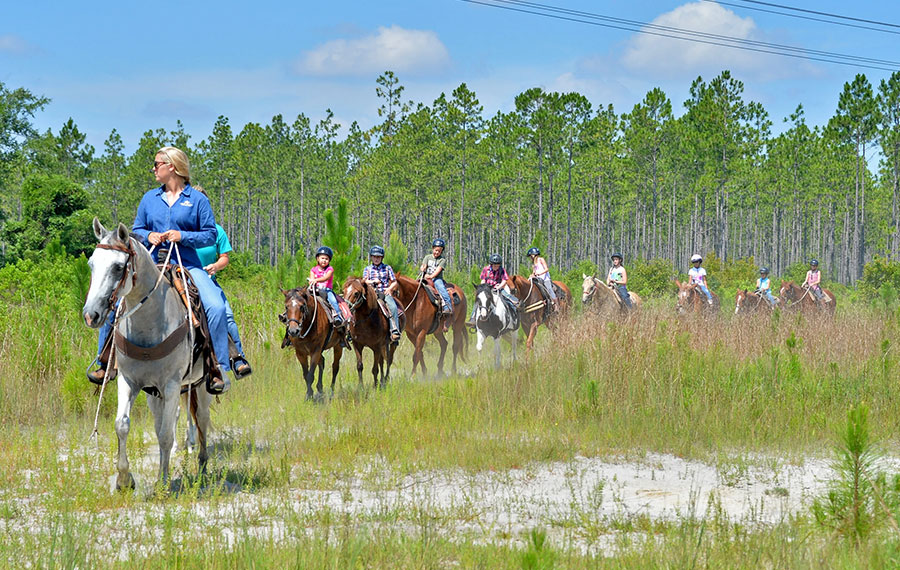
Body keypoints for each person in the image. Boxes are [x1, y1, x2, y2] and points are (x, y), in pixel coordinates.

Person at [89, 146, 230, 393]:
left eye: (157, 164)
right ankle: (105, 360)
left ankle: (218, 367)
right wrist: (149, 235)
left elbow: (209, 235)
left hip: (188, 265)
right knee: (115, 300)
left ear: (171, 167)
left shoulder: (198, 200)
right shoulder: (149, 199)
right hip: (152, 265)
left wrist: (182, 236)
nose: (153, 169)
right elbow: (137, 230)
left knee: (216, 307)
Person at [193, 208, 252, 378]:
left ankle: (237, 359)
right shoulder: (181, 231)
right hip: (183, 280)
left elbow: (224, 257)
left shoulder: (216, 230)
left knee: (227, 317)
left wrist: (215, 266)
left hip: (209, 282)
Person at [362, 245, 401, 342]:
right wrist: (372, 282)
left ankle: (394, 330)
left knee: (393, 307)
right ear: (371, 257)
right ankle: (351, 330)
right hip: (371, 294)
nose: (376, 259)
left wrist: (389, 288)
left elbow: (394, 281)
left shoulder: (387, 268)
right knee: (357, 305)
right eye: (374, 256)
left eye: (378, 257)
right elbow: (364, 281)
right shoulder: (368, 269)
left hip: (383, 292)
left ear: (382, 258)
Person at [468, 253, 519, 327]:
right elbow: (483, 280)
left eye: (497, 265)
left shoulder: (502, 270)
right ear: (491, 264)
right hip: (487, 288)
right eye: (494, 265)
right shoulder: (486, 269)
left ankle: (514, 315)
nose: (496, 267)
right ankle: (473, 318)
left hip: (497, 288)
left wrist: (499, 287)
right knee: (479, 300)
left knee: (507, 297)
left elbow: (505, 280)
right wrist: (483, 288)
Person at [308, 246, 344, 328]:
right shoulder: (313, 270)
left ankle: (337, 316)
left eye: (326, 259)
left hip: (327, 291)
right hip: (315, 290)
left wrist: (316, 280)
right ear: (317, 258)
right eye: (322, 258)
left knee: (333, 301)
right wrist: (311, 281)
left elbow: (326, 278)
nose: (324, 260)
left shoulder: (330, 269)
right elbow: (311, 278)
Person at [420, 239, 453, 315]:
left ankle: (447, 306)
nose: (437, 252)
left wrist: (431, 276)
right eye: (436, 250)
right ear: (432, 248)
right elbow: (423, 265)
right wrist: (422, 268)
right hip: (425, 277)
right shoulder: (427, 257)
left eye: (439, 251)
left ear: (441, 252)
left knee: (441, 288)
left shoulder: (442, 260)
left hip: (436, 279)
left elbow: (438, 270)